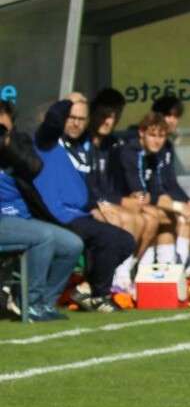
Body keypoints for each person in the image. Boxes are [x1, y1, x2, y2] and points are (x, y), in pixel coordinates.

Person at [30, 98, 134, 312]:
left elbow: (81, 186)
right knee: (111, 238)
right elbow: (52, 122)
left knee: (124, 240)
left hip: (78, 213)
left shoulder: (77, 147)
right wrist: (69, 101)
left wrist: (95, 207)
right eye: (71, 118)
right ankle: (100, 295)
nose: (76, 123)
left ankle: (87, 289)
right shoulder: (46, 141)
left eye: (81, 119)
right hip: (57, 215)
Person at [0, 101, 82, 321]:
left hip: (22, 219)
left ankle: (45, 303)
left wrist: (7, 146)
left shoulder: (19, 143)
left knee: (72, 244)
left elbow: (34, 167)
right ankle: (29, 303)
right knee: (43, 237)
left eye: (4, 129)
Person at [113, 113, 190, 276]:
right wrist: (178, 207)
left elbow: (158, 191)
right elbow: (140, 195)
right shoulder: (131, 152)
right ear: (142, 132)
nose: (157, 141)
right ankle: (127, 275)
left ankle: (169, 276)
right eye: (152, 135)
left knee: (175, 219)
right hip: (117, 203)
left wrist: (183, 206)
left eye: (161, 136)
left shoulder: (153, 155)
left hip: (140, 204)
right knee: (164, 218)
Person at [86, 91, 154, 292]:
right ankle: (113, 279)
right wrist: (120, 201)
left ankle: (125, 275)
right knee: (126, 220)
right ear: (93, 113)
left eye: (115, 117)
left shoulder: (111, 145)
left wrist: (130, 196)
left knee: (147, 220)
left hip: (107, 200)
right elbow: (87, 186)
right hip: (89, 204)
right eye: (105, 115)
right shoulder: (83, 143)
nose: (109, 121)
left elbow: (112, 184)